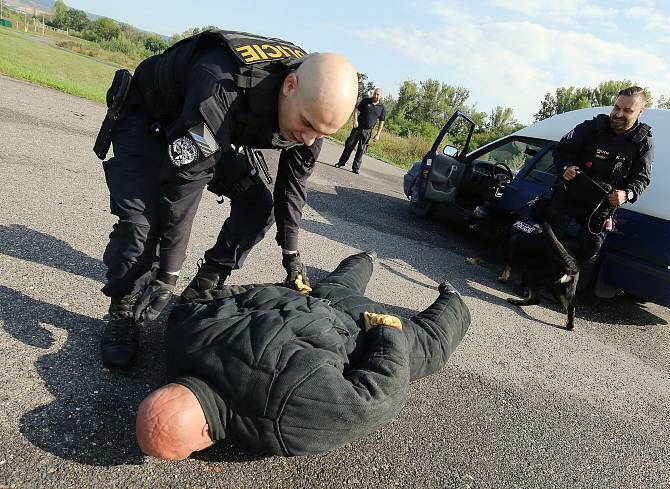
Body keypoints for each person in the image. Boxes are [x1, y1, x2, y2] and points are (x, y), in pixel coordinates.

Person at [94, 29, 359, 369]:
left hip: (207, 133)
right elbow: (185, 185)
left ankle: (203, 286)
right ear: (289, 86)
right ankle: (124, 307)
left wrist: (291, 254)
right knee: (143, 223)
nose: (310, 140)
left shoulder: (313, 114)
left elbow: (291, 188)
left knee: (258, 205)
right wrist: (168, 274)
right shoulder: (220, 83)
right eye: (308, 125)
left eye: (322, 133)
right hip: (150, 121)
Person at [135, 251, 471, 460]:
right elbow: (206, 297)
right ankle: (366, 257)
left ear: (205, 436)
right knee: (340, 284)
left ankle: (454, 299)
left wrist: (388, 334)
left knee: (430, 345)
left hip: (357, 329)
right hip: (309, 301)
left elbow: (378, 399)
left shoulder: (280, 419)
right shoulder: (181, 339)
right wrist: (281, 295)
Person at [546, 86, 655, 264]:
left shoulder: (643, 143)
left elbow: (641, 179)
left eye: (627, 110)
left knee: (588, 255)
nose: (619, 114)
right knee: (548, 241)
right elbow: (561, 150)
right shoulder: (590, 127)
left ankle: (566, 290)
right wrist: (566, 167)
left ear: (641, 112)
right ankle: (532, 284)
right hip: (569, 196)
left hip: (601, 207)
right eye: (617, 108)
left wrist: (626, 194)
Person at [335, 87, 386, 174]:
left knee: (361, 149)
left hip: (367, 131)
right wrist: (355, 121)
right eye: (374, 94)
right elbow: (356, 109)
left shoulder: (381, 108)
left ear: (380, 96)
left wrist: (378, 134)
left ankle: (355, 168)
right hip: (358, 128)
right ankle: (341, 162)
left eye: (377, 94)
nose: (375, 96)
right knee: (349, 145)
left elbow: (382, 121)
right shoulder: (365, 101)